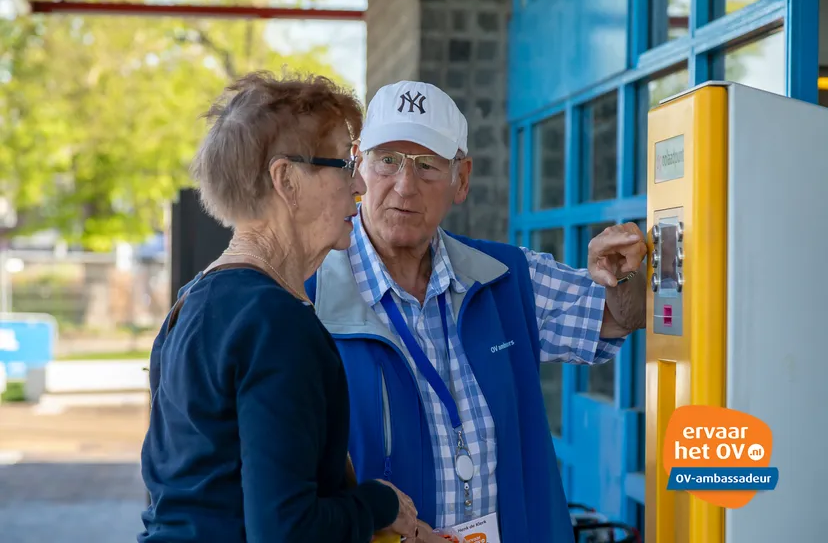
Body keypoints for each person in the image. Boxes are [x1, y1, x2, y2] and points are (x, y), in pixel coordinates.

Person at [304, 80, 648, 542]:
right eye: (388, 160)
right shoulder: (306, 299)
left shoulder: (506, 277)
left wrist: (622, 274)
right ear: (359, 166)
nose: (405, 186)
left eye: (428, 166)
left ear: (460, 179)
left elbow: (619, 316)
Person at [139, 71, 419, 543]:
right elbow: (287, 531)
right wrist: (379, 504)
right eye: (346, 164)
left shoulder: (191, 302)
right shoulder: (277, 324)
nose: (361, 188)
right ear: (286, 179)